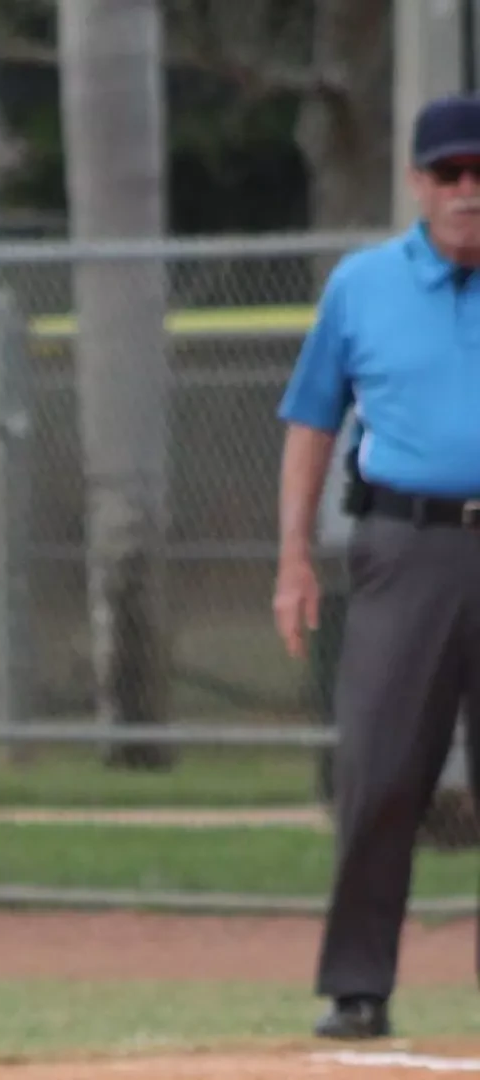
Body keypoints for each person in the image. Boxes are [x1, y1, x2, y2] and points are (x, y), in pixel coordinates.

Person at [274, 91, 480, 1042]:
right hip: (405, 547)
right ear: (416, 182)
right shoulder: (363, 286)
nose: (467, 191)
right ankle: (357, 988)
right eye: (448, 173)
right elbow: (312, 419)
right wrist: (292, 562)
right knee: (380, 766)